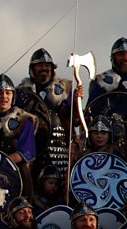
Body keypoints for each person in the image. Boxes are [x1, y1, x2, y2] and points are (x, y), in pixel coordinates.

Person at [17, 48, 83, 182]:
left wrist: (77, 100)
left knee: (58, 184)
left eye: (47, 66)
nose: (44, 69)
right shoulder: (21, 92)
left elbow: (75, 119)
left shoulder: (65, 88)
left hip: (57, 147)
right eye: (40, 65)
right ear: (32, 68)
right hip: (31, 147)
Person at [0, 74, 38, 201]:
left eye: (8, 93)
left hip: (16, 175)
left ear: (13, 96)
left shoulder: (23, 119)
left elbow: (26, 152)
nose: (4, 97)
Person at [88, 37, 127, 104]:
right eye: (121, 54)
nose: (125, 58)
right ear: (113, 58)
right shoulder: (102, 81)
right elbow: (92, 109)